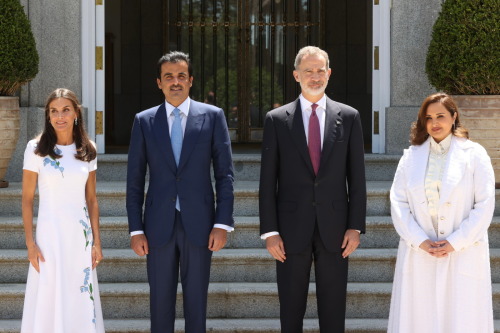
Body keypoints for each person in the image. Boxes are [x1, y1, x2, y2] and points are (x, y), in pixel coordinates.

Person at [259, 46, 367, 333]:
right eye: (308, 71)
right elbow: (267, 182)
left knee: (334, 310)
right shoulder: (277, 119)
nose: (315, 76)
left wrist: (355, 226)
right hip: (290, 229)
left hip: (336, 229)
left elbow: (357, 179)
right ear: (296, 75)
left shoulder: (350, 117)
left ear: (329, 73)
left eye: (321, 70)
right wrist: (270, 232)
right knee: (291, 310)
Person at [126, 51, 234, 333]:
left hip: (200, 225)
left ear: (191, 80)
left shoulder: (212, 117)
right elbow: (135, 180)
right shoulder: (144, 120)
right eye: (169, 77)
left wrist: (222, 224)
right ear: (158, 83)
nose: (176, 82)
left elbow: (225, 176)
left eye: (181, 76)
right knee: (160, 304)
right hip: (157, 226)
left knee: (196, 304)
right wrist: (135, 229)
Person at [388, 93, 495, 333]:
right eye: (428, 118)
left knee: (461, 319)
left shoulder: (475, 155)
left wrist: (456, 242)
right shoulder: (410, 157)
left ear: (454, 117)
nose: (434, 123)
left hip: (463, 252)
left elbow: (485, 205)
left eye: (440, 116)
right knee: (419, 319)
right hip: (421, 251)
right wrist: (420, 241)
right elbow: (398, 203)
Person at [21, 88, 104, 332]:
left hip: (80, 238)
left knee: (79, 293)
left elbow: (91, 199)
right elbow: (27, 199)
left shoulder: (88, 148)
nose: (60, 116)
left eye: (66, 110)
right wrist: (30, 243)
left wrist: (97, 241)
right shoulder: (35, 149)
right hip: (49, 236)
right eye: (54, 111)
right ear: (48, 116)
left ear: (76, 113)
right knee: (49, 293)